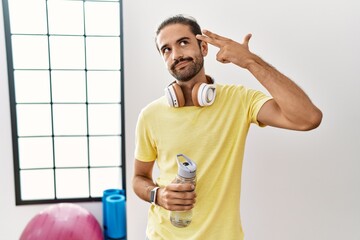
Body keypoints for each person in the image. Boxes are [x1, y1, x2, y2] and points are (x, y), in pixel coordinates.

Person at [132, 14, 322, 240]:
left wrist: (251, 62)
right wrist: (158, 195)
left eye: (183, 42)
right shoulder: (150, 115)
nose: (176, 55)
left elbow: (308, 118)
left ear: (203, 47)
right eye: (166, 49)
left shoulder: (239, 100)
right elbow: (139, 178)